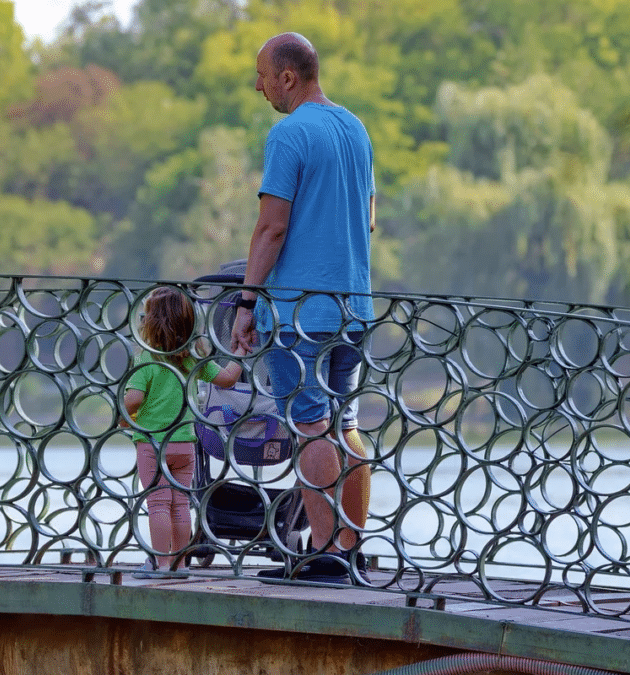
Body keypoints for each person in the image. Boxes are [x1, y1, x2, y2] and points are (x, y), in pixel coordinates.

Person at [231, 32, 375, 585]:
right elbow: (366, 220)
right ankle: (350, 549)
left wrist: (247, 301)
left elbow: (272, 226)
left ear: (288, 78)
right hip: (353, 306)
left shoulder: (288, 134)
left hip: (299, 315)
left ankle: (323, 553)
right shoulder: (355, 129)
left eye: (263, 74)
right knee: (347, 426)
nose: (258, 84)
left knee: (311, 426)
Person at [123, 286, 248, 578]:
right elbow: (228, 379)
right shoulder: (193, 360)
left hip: (153, 445)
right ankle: (180, 564)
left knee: (157, 504)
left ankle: (160, 564)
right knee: (180, 504)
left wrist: (122, 415)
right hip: (185, 445)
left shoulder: (146, 361)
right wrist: (240, 351)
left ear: (149, 325)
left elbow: (134, 400)